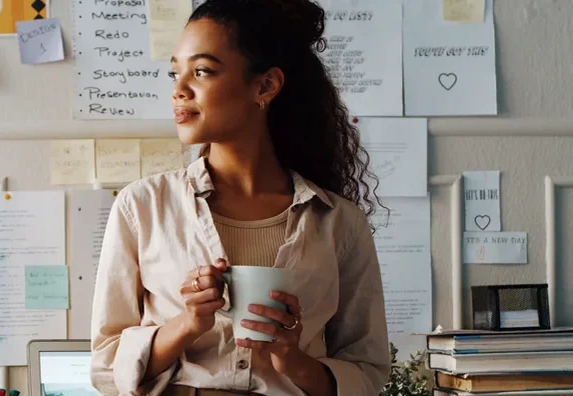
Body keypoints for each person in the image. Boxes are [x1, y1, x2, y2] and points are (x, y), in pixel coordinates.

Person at [88, 0, 392, 395]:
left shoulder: (339, 222)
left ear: (265, 85)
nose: (179, 90)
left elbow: (367, 374)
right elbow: (106, 369)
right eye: (175, 72)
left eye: (201, 72)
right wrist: (187, 323)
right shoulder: (141, 207)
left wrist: (293, 359)